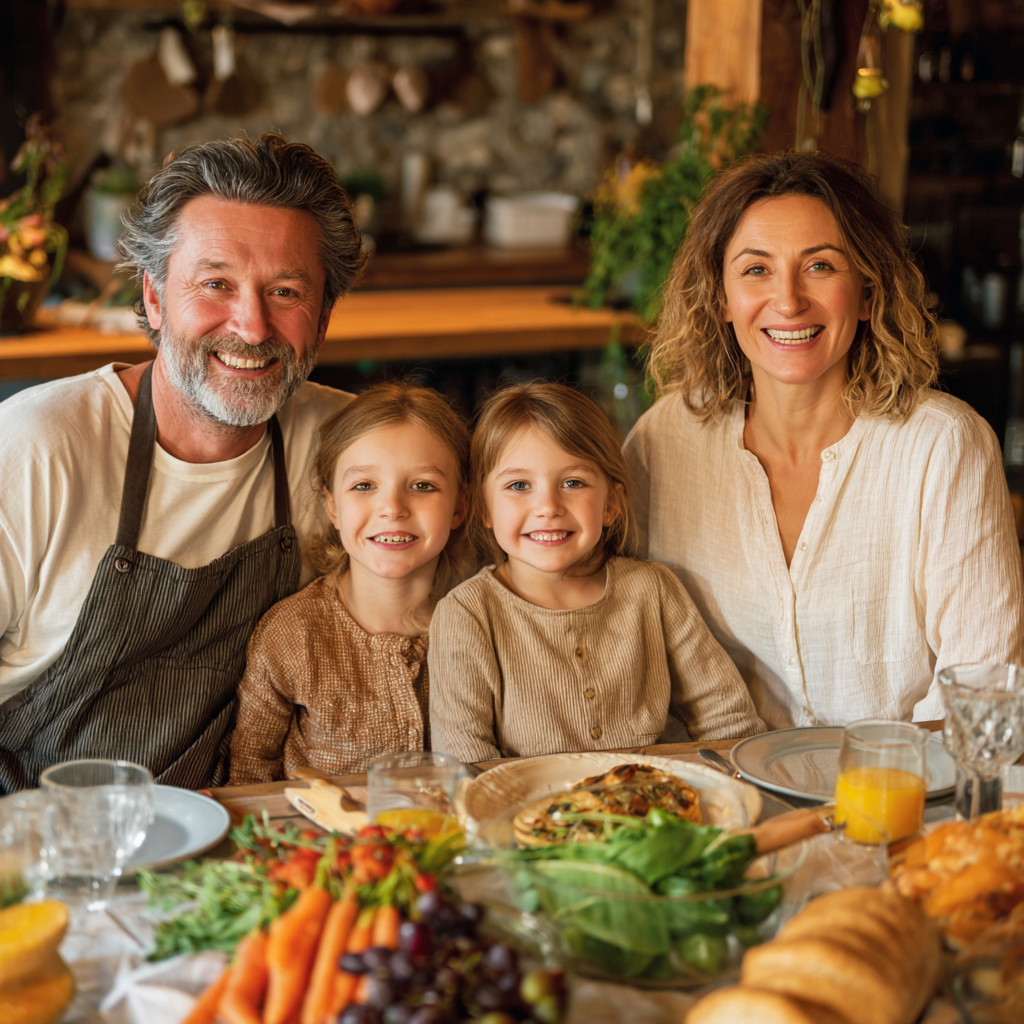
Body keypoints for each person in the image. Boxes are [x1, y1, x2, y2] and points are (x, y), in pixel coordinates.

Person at [0, 133, 364, 791]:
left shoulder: (351, 449)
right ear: (154, 300)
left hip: (242, 839)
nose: (252, 327)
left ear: (324, 317)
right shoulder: (38, 446)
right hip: (41, 845)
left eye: (285, 291)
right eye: (215, 284)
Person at [624, 150, 1024, 731]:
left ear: (867, 292)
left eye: (820, 267)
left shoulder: (944, 447)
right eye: (756, 269)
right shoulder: (665, 438)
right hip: (718, 802)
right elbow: (602, 615)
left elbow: (985, 695)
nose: (787, 301)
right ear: (720, 298)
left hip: (905, 801)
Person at [428, 382, 765, 763]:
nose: (548, 506)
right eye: (518, 485)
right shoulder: (466, 613)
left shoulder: (652, 590)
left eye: (573, 482)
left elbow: (728, 720)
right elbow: (465, 761)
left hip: (652, 809)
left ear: (612, 504)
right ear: (483, 509)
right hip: (525, 812)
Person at [229, 382, 471, 783]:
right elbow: (250, 773)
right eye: (364, 486)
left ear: (460, 506)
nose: (392, 509)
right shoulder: (293, 633)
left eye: (423, 486)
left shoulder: (480, 620)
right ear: (333, 507)